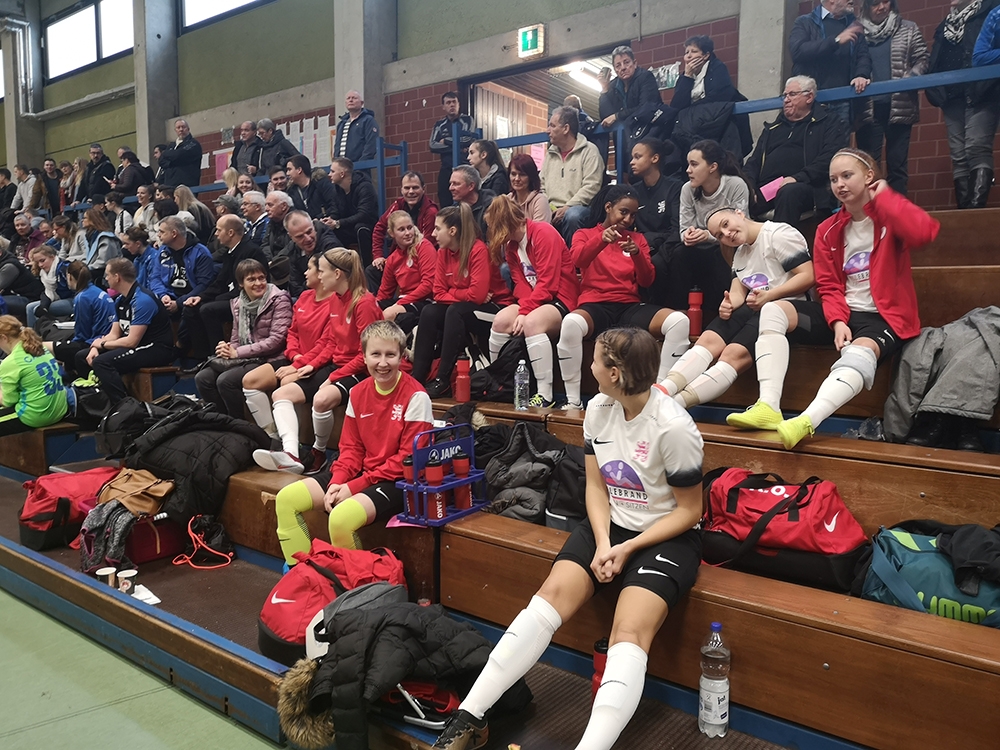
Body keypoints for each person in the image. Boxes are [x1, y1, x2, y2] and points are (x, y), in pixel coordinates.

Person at [430, 327, 704, 750]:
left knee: (628, 634)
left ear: (614, 373)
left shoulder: (674, 428)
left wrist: (628, 547)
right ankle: (470, 716)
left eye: (595, 360)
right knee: (547, 599)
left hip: (667, 536)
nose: (589, 366)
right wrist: (604, 541)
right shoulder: (598, 408)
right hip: (610, 526)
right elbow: (596, 486)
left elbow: (690, 511)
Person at [771, 149, 940, 449]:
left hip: (883, 317)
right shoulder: (827, 229)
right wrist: (837, 321)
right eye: (833, 179)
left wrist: (886, 198)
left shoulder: (888, 217)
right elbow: (828, 285)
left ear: (869, 176)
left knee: (860, 353)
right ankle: (767, 406)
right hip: (844, 313)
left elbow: (924, 233)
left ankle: (806, 420)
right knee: (774, 310)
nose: (839, 184)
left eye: (847, 176)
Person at [270, 320, 432, 563]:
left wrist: (355, 486)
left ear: (401, 357)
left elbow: (408, 459)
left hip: (399, 481)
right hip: (363, 473)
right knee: (286, 500)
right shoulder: (357, 392)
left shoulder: (417, 396)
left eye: (390, 355)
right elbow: (351, 449)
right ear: (364, 357)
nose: (383, 363)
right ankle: (303, 573)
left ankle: (356, 584)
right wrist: (337, 481)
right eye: (375, 354)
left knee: (340, 519)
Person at [663, 207, 825, 411]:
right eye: (719, 235)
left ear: (739, 214)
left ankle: (672, 405)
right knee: (708, 339)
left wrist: (771, 295)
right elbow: (738, 292)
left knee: (733, 352)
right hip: (760, 305)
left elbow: (808, 276)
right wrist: (728, 304)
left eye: (726, 224)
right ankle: (663, 390)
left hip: (792, 308)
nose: (727, 234)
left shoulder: (778, 234)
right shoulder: (740, 252)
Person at [557, 185, 690, 410]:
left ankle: (661, 395)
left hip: (629, 306)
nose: (628, 219)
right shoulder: (585, 234)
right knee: (570, 323)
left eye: (633, 215)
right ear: (608, 207)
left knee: (679, 321)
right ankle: (573, 401)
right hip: (595, 305)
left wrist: (637, 255)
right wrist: (601, 239)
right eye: (624, 212)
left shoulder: (637, 239)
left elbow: (647, 280)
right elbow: (578, 261)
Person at [253, 248, 382, 474]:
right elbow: (331, 342)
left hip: (362, 370)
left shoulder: (364, 303)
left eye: (322, 271)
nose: (319, 276)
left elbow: (368, 355)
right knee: (281, 394)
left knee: (321, 399)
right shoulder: (335, 300)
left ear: (338, 274)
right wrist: (309, 365)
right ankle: (291, 453)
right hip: (338, 365)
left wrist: (333, 377)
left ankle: (318, 453)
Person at [411, 204, 514, 399]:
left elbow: (476, 296)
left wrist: (454, 292)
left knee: (455, 311)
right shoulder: (442, 252)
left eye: (437, 228)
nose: (433, 234)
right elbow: (438, 293)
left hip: (497, 308)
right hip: (468, 307)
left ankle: (442, 380)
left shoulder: (478, 250)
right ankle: (417, 378)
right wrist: (463, 293)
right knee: (430, 312)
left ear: (452, 231)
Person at [485, 196, 580, 408]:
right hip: (537, 300)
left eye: (493, 227)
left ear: (503, 223)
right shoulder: (512, 247)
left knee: (531, 323)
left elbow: (548, 284)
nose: (491, 233)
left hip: (561, 298)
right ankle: (498, 382)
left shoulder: (543, 232)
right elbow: (520, 285)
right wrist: (525, 308)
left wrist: (525, 312)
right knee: (500, 321)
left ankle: (545, 394)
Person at [743, 76, 846, 225]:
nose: (786, 100)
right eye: (784, 95)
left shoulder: (828, 122)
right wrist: (749, 186)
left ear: (809, 97)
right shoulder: (773, 129)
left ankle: (779, 240)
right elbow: (753, 162)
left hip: (807, 186)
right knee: (738, 193)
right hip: (771, 188)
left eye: (792, 94)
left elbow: (829, 159)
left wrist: (797, 177)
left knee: (788, 192)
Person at [195, 259, 291, 418]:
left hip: (273, 358)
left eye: (261, 278)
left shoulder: (279, 300)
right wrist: (227, 349)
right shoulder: (238, 303)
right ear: (241, 283)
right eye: (251, 279)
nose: (258, 283)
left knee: (226, 381)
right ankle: (222, 420)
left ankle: (240, 424)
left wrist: (237, 353)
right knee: (203, 378)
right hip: (248, 357)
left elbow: (277, 340)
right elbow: (235, 339)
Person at [928, 0, 1000, 209]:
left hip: (983, 92)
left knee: (977, 147)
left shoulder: (990, 12)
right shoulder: (945, 24)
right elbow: (936, 60)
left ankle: (975, 211)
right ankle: (964, 213)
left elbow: (984, 54)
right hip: (952, 96)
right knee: (958, 155)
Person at [854, 0, 929, 196]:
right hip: (867, 108)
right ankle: (871, 211)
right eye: (875, 3)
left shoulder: (908, 28)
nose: (882, 7)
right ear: (866, 7)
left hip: (900, 105)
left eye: (886, 1)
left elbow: (922, 58)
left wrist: (911, 77)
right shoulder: (857, 32)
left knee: (897, 166)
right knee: (868, 167)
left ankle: (897, 212)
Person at [78, 257, 175, 404]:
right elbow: (114, 334)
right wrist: (95, 346)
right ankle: (99, 401)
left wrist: (102, 344)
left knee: (102, 362)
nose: (106, 278)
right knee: (81, 356)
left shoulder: (142, 300)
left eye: (107, 275)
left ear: (117, 277)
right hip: (137, 346)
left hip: (156, 348)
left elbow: (131, 342)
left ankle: (124, 406)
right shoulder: (120, 300)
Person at [677, 139, 752, 319]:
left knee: (721, 253)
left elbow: (743, 227)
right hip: (699, 243)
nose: (688, 170)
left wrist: (708, 235)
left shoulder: (735, 184)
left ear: (713, 167)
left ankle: (726, 311)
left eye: (694, 164)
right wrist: (687, 236)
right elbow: (684, 228)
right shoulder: (687, 189)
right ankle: (680, 313)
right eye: (688, 164)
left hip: (728, 242)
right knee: (679, 254)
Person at [789, 0, 873, 131]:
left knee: (839, 143)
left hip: (844, 100)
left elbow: (863, 56)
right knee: (810, 142)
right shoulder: (805, 22)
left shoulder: (853, 25)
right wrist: (836, 41)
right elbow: (798, 51)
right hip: (813, 101)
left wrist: (861, 75)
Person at [629, 138, 686, 310]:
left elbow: (677, 229)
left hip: (667, 245)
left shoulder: (675, 187)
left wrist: (651, 241)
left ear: (654, 158)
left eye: (637, 157)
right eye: (632, 157)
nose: (632, 162)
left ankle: (663, 311)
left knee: (659, 262)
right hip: (641, 245)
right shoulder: (634, 191)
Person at [541, 106, 605, 246]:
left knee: (573, 216)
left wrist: (568, 206)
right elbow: (541, 185)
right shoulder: (550, 155)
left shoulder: (589, 151)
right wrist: (547, 207)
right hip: (552, 208)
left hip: (580, 208)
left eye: (552, 126)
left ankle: (574, 259)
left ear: (566, 128)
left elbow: (592, 186)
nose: (547, 130)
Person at [0, 316, 69, 436]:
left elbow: (8, 401)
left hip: (36, 416)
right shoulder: (41, 348)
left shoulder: (11, 362)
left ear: (3, 338)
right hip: (59, 410)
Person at [369, 171, 438, 291]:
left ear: (423, 189)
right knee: (372, 271)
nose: (411, 192)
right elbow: (379, 228)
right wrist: (378, 256)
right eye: (407, 188)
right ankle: (378, 302)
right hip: (398, 258)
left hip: (418, 261)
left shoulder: (431, 212)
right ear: (401, 190)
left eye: (415, 187)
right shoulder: (397, 205)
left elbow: (426, 245)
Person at [49, 262, 115, 378]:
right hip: (103, 337)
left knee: (46, 346)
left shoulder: (82, 298)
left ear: (69, 276)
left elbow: (82, 334)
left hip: (94, 341)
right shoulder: (96, 290)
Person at [375, 210, 437, 335]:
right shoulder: (393, 259)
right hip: (405, 300)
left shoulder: (424, 246)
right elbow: (385, 291)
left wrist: (401, 302)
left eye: (410, 227)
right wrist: (371, 305)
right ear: (392, 233)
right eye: (401, 229)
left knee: (389, 314)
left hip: (426, 300)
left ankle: (391, 345)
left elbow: (429, 284)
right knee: (373, 310)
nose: (408, 233)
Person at [599, 45, 665, 151]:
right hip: (624, 141)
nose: (623, 68)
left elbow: (646, 108)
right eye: (618, 65)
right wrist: (604, 89)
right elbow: (606, 117)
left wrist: (617, 116)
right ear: (615, 70)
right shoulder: (613, 85)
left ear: (635, 63)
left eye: (626, 62)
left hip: (648, 136)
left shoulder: (645, 77)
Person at [273, 210, 343, 300]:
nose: (308, 239)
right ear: (291, 237)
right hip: (307, 299)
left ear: (313, 226)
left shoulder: (331, 246)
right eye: (300, 236)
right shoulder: (294, 251)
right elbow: (295, 288)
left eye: (309, 231)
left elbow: (331, 282)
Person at [325, 157, 378, 263]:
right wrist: (329, 220)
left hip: (367, 226)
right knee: (329, 231)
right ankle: (338, 264)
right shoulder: (337, 189)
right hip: (348, 226)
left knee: (360, 228)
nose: (329, 174)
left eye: (332, 171)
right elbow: (335, 211)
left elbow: (364, 214)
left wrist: (338, 223)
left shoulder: (365, 187)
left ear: (342, 174)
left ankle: (366, 266)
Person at [429, 91, 476, 209]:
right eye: (448, 103)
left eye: (454, 102)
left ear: (459, 104)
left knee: (467, 200)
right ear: (443, 107)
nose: (452, 105)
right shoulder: (439, 125)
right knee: (444, 199)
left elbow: (467, 139)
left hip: (465, 166)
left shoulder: (467, 120)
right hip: (446, 167)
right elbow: (432, 146)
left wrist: (446, 140)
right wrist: (457, 146)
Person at [26, 245, 75, 327]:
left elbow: (77, 289)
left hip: (73, 300)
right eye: (37, 262)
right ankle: (32, 334)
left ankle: (43, 332)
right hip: (58, 299)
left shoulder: (64, 268)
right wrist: (43, 306)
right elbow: (47, 292)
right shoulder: (43, 273)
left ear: (52, 257)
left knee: (37, 309)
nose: (40, 265)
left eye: (42, 261)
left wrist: (44, 306)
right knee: (30, 307)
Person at [285, 154, 339, 221]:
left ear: (299, 170)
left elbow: (335, 205)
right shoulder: (291, 191)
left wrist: (319, 219)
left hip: (327, 223)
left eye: (289, 169)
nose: (287, 173)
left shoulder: (320, 183)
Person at [121, 225, 169, 299]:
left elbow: (151, 286)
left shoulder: (153, 259)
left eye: (127, 243)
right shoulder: (137, 259)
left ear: (138, 244)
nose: (124, 247)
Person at [333, 90, 380, 165]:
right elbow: (337, 146)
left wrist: (362, 164)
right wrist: (336, 163)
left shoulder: (368, 120)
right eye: (348, 98)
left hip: (359, 167)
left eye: (354, 98)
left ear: (362, 103)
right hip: (341, 167)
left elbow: (371, 144)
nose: (351, 100)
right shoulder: (341, 124)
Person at [449, 165, 495, 239]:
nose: (450, 188)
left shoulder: (491, 206)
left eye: (456, 184)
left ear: (471, 186)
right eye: (450, 184)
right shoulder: (455, 211)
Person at [506, 153, 551, 223]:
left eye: (522, 175)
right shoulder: (507, 200)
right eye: (513, 174)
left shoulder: (540, 201)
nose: (517, 179)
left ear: (531, 177)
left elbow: (539, 229)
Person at [158, 119, 203, 188]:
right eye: (178, 127)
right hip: (169, 185)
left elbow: (179, 154)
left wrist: (166, 156)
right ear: (175, 130)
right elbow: (161, 161)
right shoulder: (171, 145)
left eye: (183, 127)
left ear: (188, 129)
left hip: (187, 185)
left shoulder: (193, 144)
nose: (181, 129)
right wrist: (173, 161)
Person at [81, 208, 121, 284]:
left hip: (104, 276)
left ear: (93, 220)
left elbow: (103, 261)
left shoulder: (106, 238)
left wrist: (85, 270)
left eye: (85, 218)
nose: (82, 220)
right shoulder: (90, 236)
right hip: (93, 272)